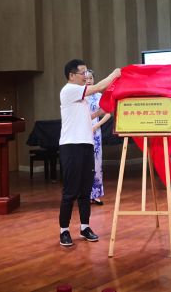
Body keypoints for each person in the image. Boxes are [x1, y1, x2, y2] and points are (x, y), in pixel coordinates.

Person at [58, 59, 120, 247]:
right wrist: (115, 74)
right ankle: (64, 231)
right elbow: (99, 86)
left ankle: (85, 227)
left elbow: (89, 116)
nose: (86, 76)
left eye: (87, 73)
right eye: (83, 73)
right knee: (70, 191)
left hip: (86, 144)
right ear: (71, 75)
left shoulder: (80, 97)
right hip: (71, 146)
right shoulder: (69, 90)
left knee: (85, 190)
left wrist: (108, 106)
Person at [85, 71, 111, 206]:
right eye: (86, 78)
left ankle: (96, 194)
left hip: (95, 132)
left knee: (96, 163)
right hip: (82, 131)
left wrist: (97, 125)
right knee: (84, 163)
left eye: (91, 78)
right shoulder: (81, 96)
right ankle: (84, 195)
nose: (89, 80)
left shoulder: (99, 96)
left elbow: (108, 113)